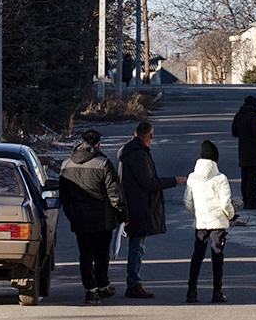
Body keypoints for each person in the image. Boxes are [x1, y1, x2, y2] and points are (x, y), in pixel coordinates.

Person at [117, 121, 186, 299]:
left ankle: (134, 282)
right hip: (139, 208)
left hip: (133, 205)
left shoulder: (130, 152)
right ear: (150, 136)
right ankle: (134, 283)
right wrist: (174, 181)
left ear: (135, 134)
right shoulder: (139, 155)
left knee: (136, 245)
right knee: (137, 246)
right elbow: (149, 183)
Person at [59, 129, 128, 305]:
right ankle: (102, 285)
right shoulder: (103, 164)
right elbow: (115, 193)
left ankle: (90, 290)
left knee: (85, 254)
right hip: (102, 219)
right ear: (98, 144)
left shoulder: (66, 164)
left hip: (79, 219)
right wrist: (122, 215)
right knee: (101, 254)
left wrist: (72, 214)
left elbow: (64, 197)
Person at [183, 140, 235, 304]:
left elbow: (188, 202)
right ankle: (217, 293)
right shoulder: (221, 178)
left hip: (201, 222)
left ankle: (191, 292)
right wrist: (230, 215)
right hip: (218, 223)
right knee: (217, 256)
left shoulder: (192, 177)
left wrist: (198, 213)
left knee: (197, 256)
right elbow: (226, 203)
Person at [230, 95, 256, 210]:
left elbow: (234, 132)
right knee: (252, 178)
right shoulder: (253, 116)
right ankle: (252, 200)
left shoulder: (238, 115)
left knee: (245, 177)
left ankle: (246, 200)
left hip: (243, 150)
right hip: (254, 151)